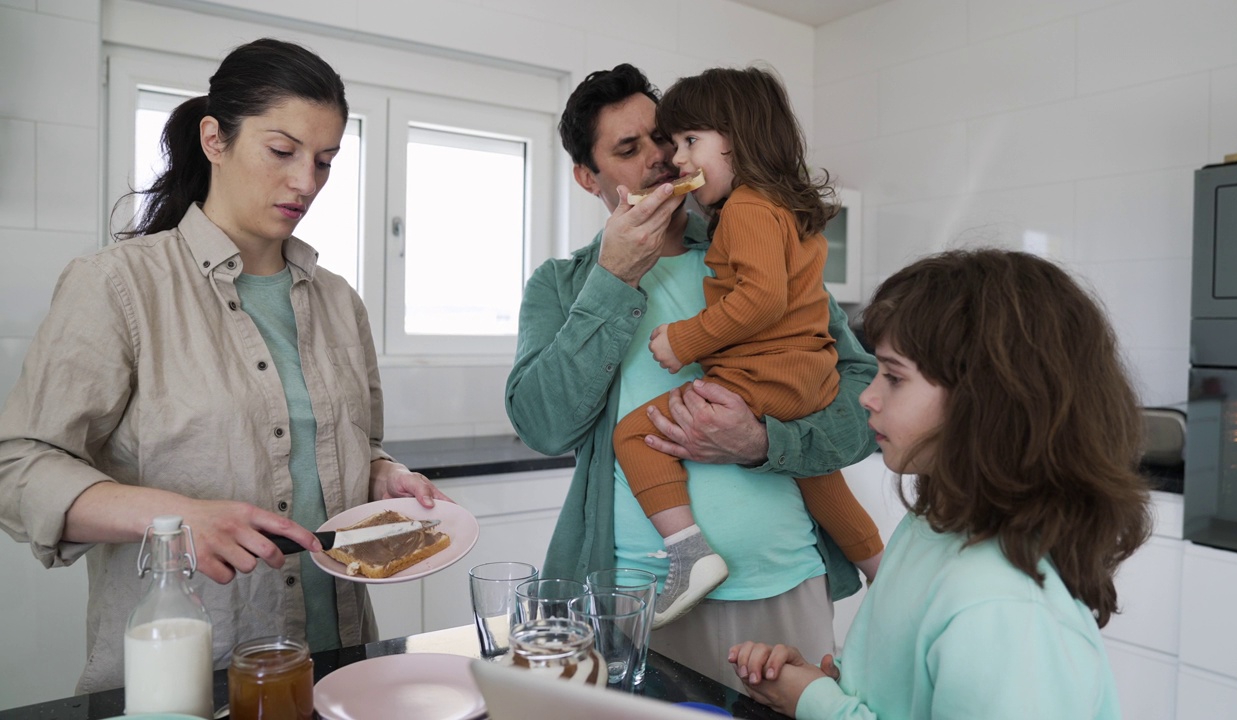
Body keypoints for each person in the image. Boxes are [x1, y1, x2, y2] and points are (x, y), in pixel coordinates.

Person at [0, 38, 449, 694]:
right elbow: (19, 468)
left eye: (324, 162)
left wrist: (383, 474)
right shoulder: (119, 286)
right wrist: (178, 516)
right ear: (215, 138)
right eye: (282, 151)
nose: (306, 183)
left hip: (340, 663)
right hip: (185, 677)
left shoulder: (339, 302)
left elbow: (351, 445)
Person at [505, 63, 880, 688]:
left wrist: (766, 442)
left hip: (784, 580)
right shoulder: (562, 285)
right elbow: (542, 426)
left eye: (668, 137)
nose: (662, 158)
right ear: (586, 176)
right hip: (640, 598)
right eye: (630, 149)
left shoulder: (757, 240)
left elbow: (864, 400)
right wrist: (613, 279)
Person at [728, 249, 1153, 719]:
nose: (868, 396)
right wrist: (829, 686)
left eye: (893, 377)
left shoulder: (1005, 611)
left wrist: (816, 703)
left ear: (986, 400)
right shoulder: (930, 528)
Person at [612, 67, 883, 628]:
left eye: (690, 142)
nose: (677, 159)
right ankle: (888, 571)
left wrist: (685, 339)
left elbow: (760, 299)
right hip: (805, 378)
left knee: (633, 434)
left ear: (737, 139)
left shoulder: (749, 209)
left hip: (766, 375)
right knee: (818, 477)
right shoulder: (777, 206)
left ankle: (689, 555)